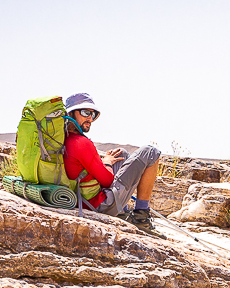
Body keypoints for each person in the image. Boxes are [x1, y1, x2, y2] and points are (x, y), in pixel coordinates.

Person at [60, 92, 161, 228]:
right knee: (151, 152)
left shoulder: (66, 139)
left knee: (122, 155)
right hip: (98, 205)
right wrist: (106, 162)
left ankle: (123, 212)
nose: (90, 118)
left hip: (83, 199)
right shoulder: (81, 143)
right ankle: (141, 218)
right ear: (70, 114)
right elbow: (107, 180)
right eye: (85, 112)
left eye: (93, 114)